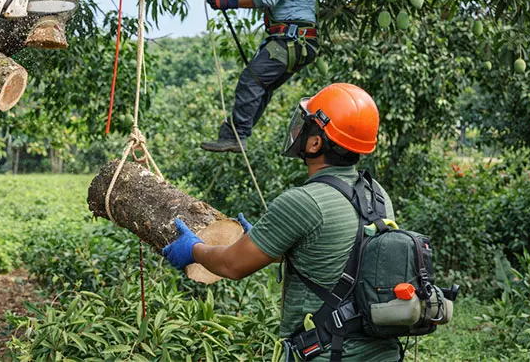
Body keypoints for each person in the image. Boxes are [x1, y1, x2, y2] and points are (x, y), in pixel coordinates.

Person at [163, 83, 402, 361]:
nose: (298, 130)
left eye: (306, 125)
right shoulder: (377, 194)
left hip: (331, 354)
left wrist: (193, 249)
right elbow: (338, 259)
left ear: (315, 143)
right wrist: (271, 244)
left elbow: (232, 265)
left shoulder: (302, 201)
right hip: (384, 354)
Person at [201, 0, 318, 153]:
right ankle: (237, 133)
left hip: (292, 41)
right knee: (260, 85)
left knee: (251, 79)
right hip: (297, 43)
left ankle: (236, 135)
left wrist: (227, 2)